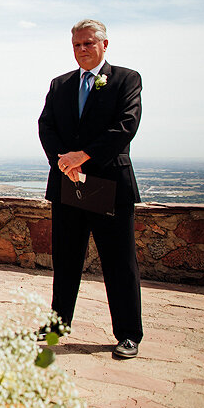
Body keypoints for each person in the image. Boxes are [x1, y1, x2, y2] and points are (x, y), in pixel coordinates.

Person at [38, 19, 143, 359]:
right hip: (69, 183)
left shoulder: (126, 79)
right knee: (66, 259)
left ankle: (128, 334)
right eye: (76, 45)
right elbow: (46, 127)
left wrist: (82, 156)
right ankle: (56, 327)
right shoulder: (60, 85)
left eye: (88, 43)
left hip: (108, 184)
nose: (82, 49)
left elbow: (125, 126)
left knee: (119, 261)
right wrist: (64, 163)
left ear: (104, 45)